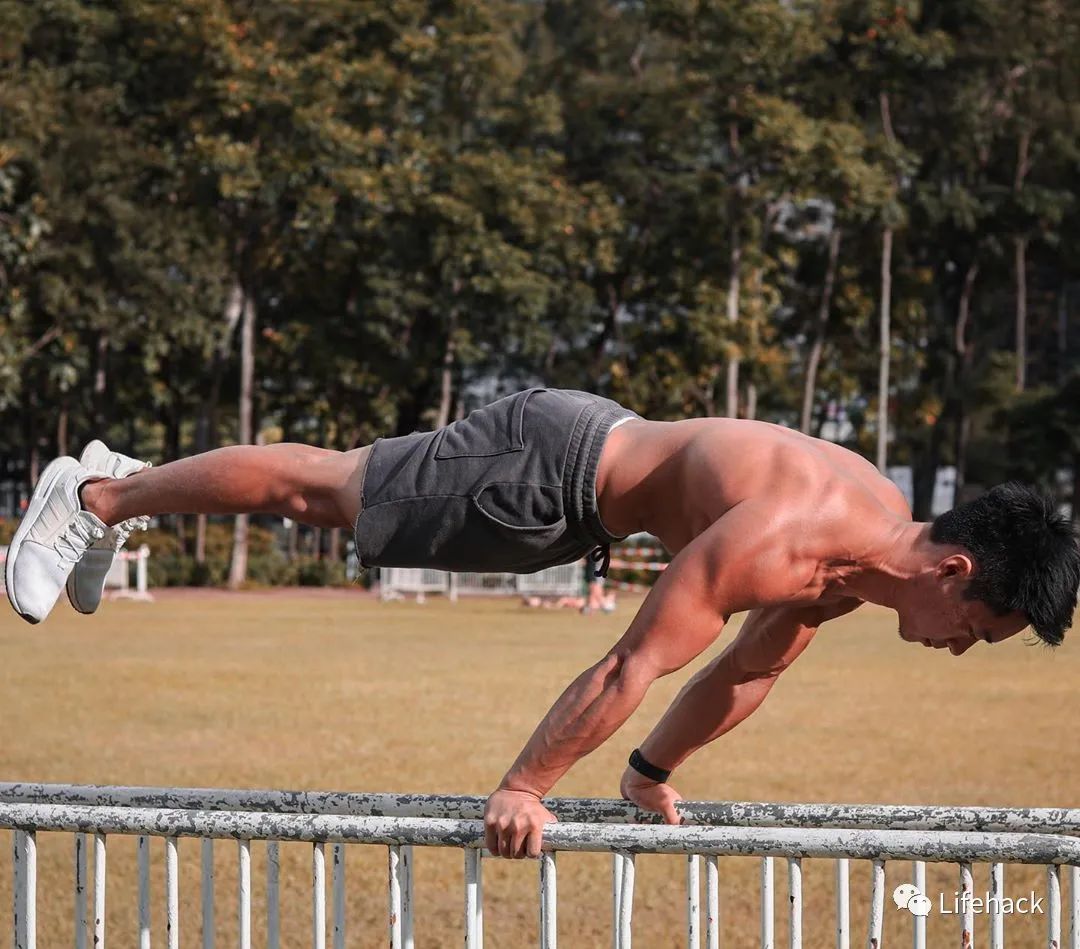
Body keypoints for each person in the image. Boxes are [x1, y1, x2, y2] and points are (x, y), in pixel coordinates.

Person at [6, 387, 1079, 860]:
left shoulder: (853, 570)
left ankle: (117, 490)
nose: (955, 647)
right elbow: (634, 665)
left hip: (569, 508)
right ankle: (96, 495)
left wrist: (653, 770)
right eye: (975, 628)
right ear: (955, 567)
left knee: (330, 498)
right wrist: (526, 785)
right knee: (326, 494)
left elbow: (749, 670)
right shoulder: (797, 535)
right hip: (548, 467)